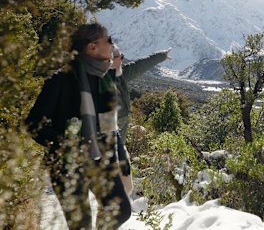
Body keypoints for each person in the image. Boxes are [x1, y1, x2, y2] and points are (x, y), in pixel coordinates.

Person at [26, 23, 131, 230]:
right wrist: (65, 143)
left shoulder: (104, 78)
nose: (113, 44)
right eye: (108, 40)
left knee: (121, 210)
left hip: (100, 161)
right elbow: (32, 124)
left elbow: (110, 126)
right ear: (92, 47)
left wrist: (118, 155)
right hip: (66, 166)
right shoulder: (62, 79)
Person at [110, 44, 171, 195]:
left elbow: (139, 66)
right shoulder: (102, 78)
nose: (123, 60)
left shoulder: (119, 74)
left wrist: (161, 55)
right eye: (120, 57)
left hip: (119, 124)